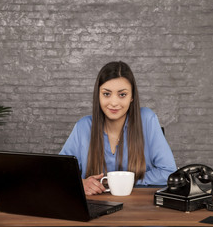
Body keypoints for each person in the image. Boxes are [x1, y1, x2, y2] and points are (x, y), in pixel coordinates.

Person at [59, 61, 177, 195]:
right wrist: (80, 182)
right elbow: (58, 174)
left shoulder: (147, 119)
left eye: (122, 95)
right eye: (106, 94)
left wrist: (121, 182)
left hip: (139, 207)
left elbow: (168, 172)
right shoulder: (83, 127)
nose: (114, 103)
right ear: (98, 95)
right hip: (95, 206)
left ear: (132, 96)